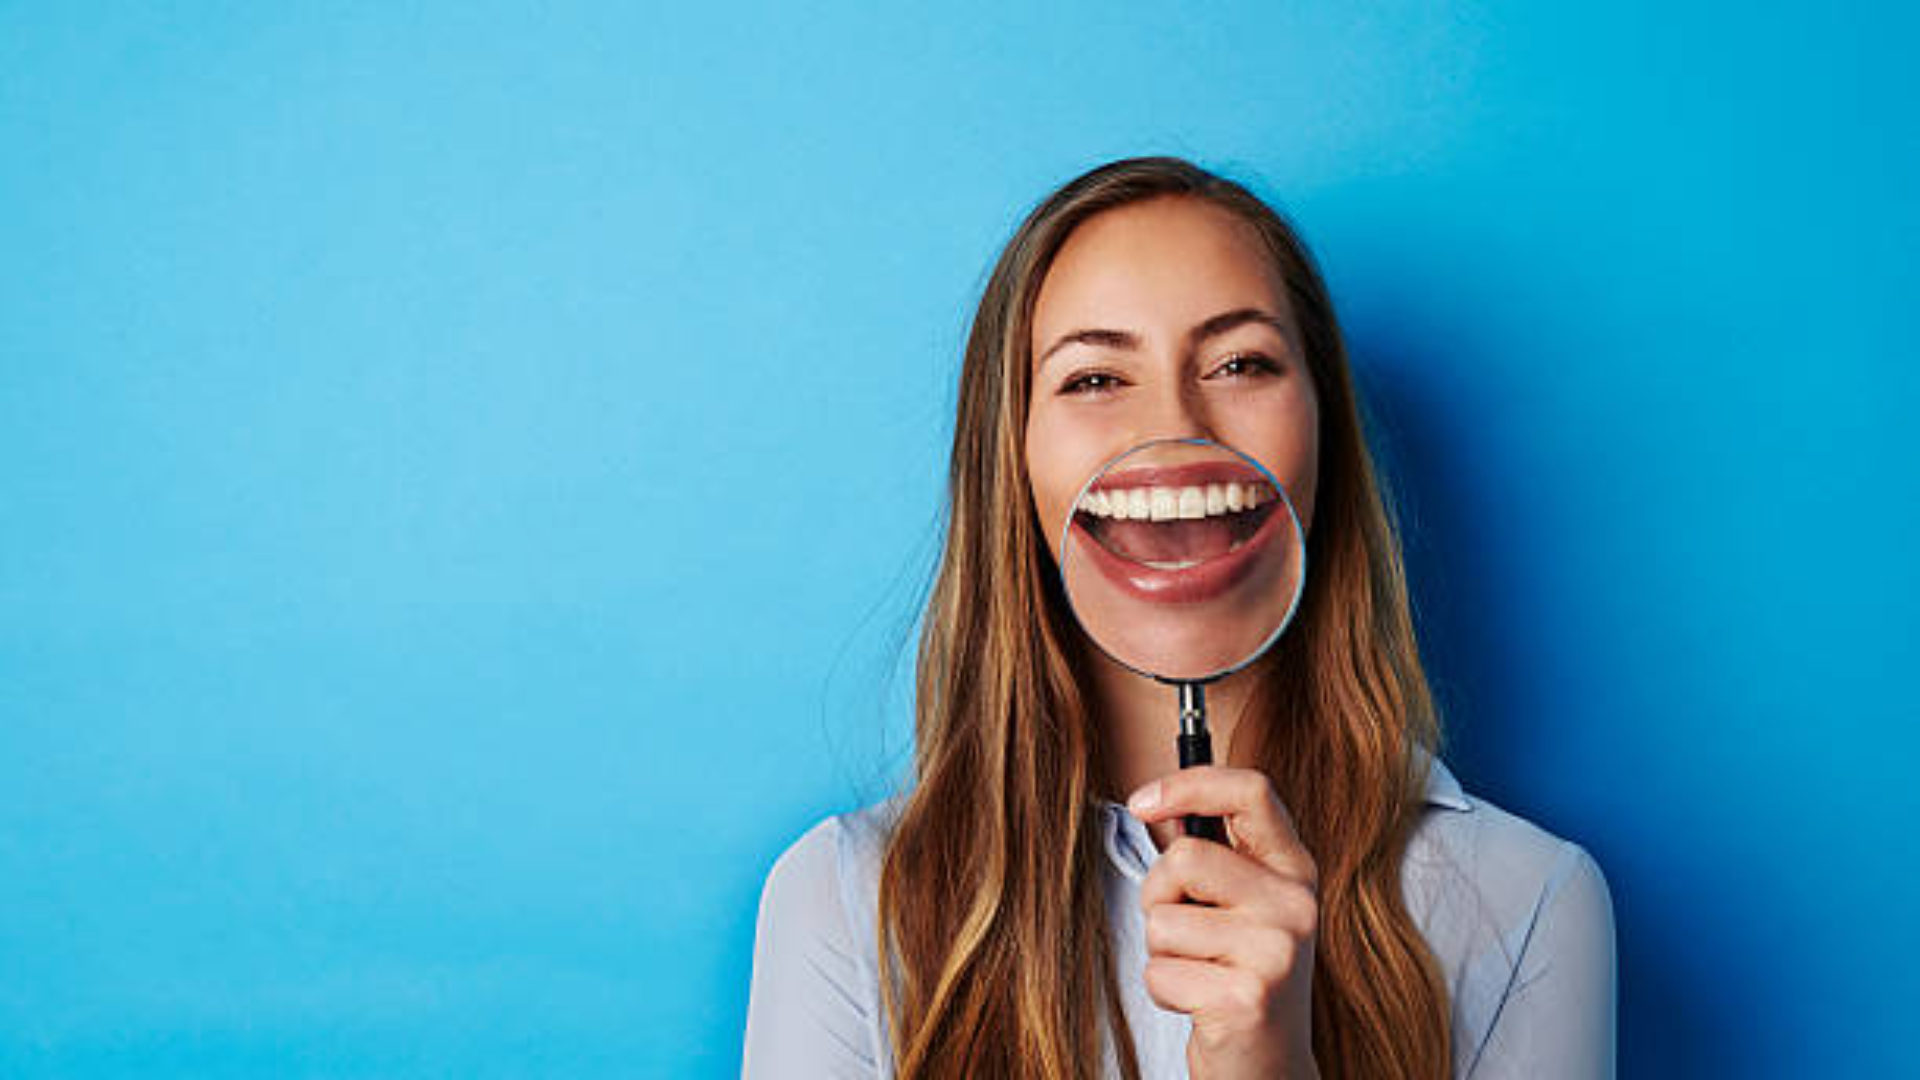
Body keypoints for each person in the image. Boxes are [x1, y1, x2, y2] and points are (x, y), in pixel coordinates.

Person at [741, 156, 1615, 1079]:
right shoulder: (844, 901)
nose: (1177, 431)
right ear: (1013, 458)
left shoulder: (1526, 902)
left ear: (1324, 434)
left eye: (1241, 364)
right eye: (1093, 379)